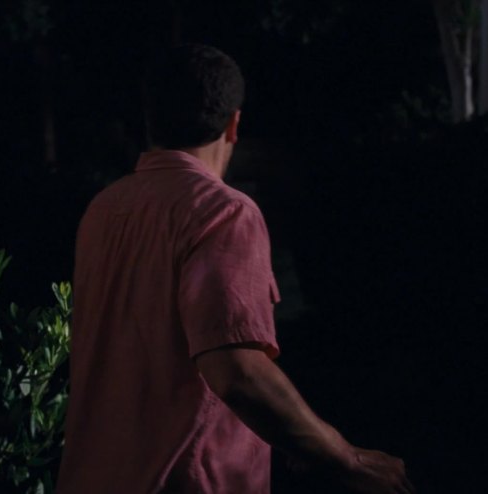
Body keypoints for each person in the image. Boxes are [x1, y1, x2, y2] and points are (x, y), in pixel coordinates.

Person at [56, 44, 415, 494]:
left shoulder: (105, 209)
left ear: (151, 121)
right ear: (233, 124)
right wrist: (349, 459)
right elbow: (237, 371)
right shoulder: (223, 213)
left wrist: (290, 432)